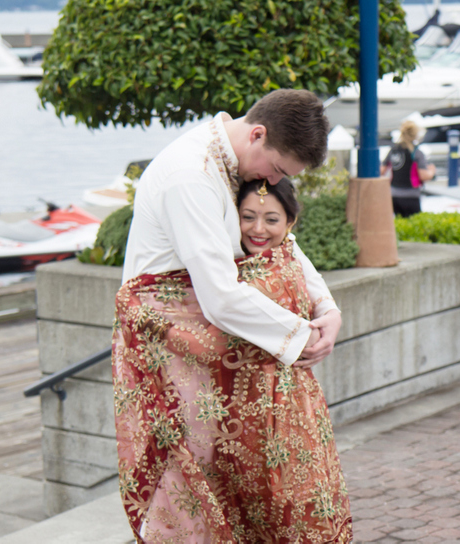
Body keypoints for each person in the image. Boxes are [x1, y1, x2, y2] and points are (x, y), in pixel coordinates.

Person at [113, 89, 347, 542]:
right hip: (173, 357)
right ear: (257, 133)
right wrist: (301, 336)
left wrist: (327, 308)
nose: (272, 179)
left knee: (229, 488)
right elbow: (220, 295)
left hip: (216, 357)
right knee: (190, 492)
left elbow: (284, 247)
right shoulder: (192, 175)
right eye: (277, 169)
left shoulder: (232, 160)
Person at [380, 120, 436, 217]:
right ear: (416, 135)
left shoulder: (393, 150)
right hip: (411, 196)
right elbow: (423, 176)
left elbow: (381, 171)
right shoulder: (416, 153)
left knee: (399, 224)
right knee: (414, 226)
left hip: (394, 195)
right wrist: (432, 171)